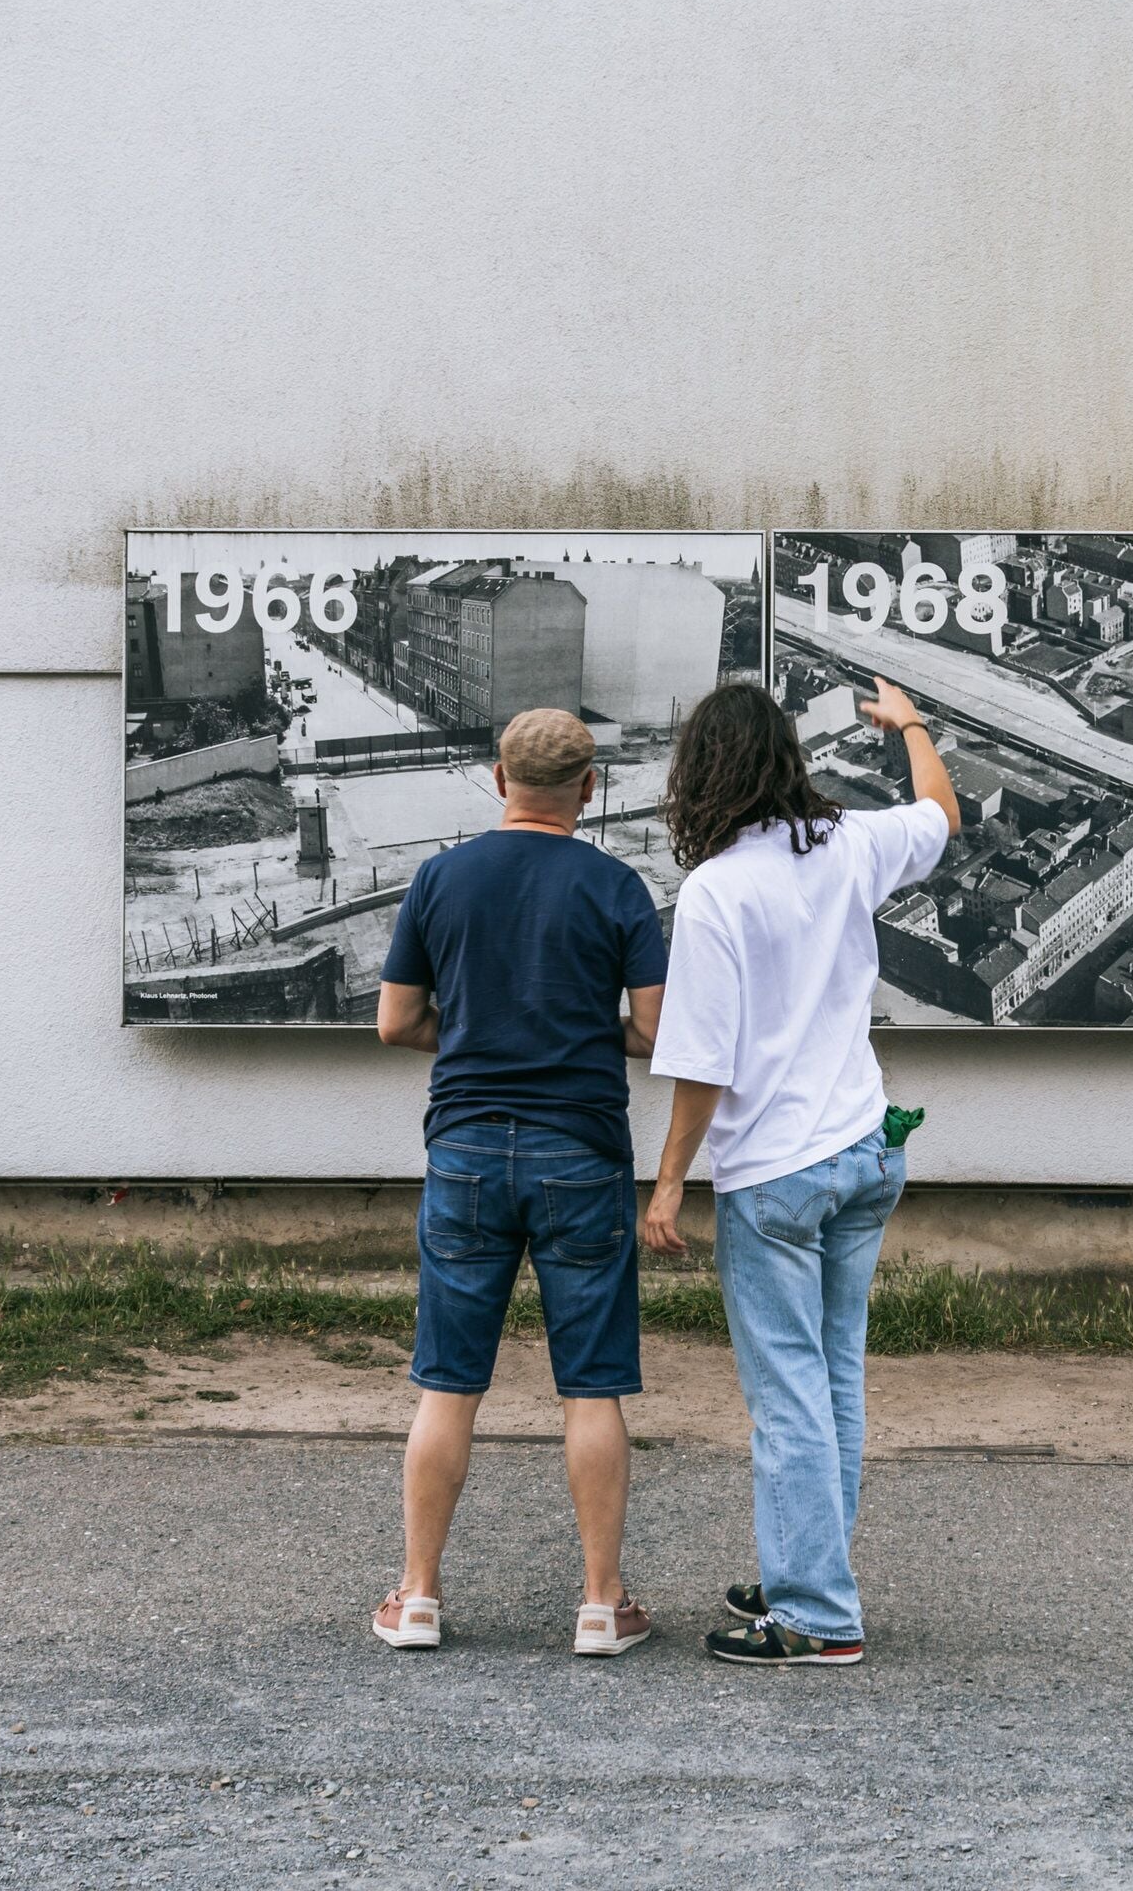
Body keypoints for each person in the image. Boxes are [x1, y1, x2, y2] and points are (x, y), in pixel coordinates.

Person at [643, 675, 961, 1668]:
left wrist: (664, 1187)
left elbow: (701, 1064)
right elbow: (941, 816)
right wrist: (909, 726)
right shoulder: (849, 844)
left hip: (776, 1177)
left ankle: (817, 1611)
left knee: (787, 1393)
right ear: (789, 758)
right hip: (867, 1150)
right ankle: (810, 1566)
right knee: (832, 1378)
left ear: (699, 777)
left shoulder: (715, 893)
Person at [369, 707, 667, 1659]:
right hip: (581, 1153)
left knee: (448, 1387)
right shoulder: (619, 887)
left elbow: (395, 1022)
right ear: (591, 787)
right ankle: (600, 1605)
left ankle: (416, 1597)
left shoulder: (440, 878)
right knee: (589, 1389)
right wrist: (583, 1034)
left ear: (499, 779)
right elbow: (658, 1035)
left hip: (463, 1150)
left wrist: (470, 1035)